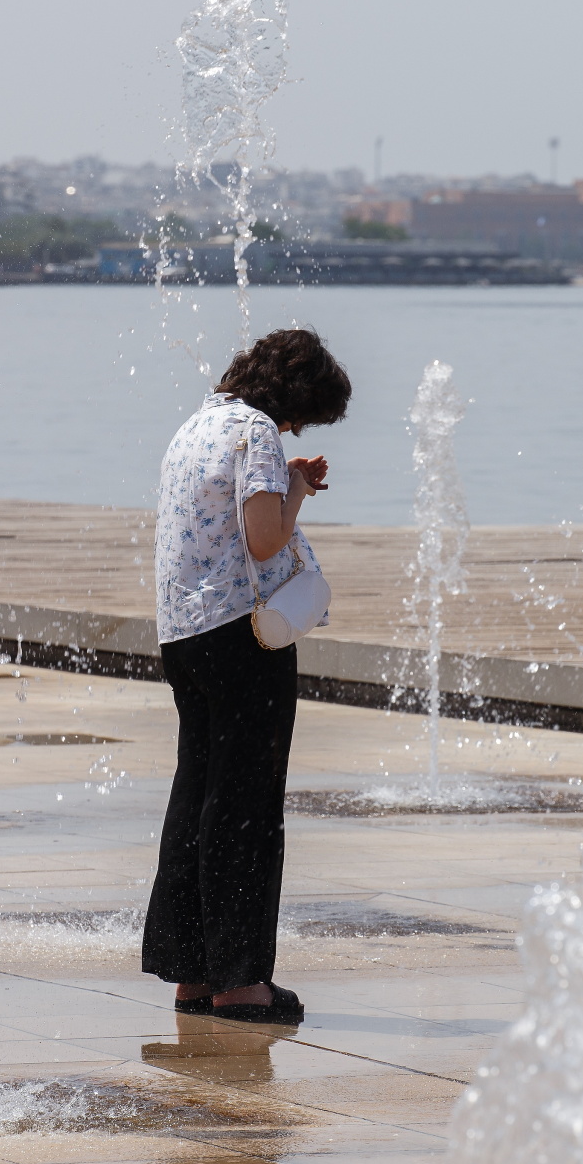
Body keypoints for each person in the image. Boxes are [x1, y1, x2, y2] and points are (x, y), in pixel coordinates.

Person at [142, 328, 352, 1023]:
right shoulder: (256, 431)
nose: (294, 430)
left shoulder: (195, 426)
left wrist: (285, 481)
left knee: (197, 799)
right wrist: (296, 490)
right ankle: (241, 984)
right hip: (242, 635)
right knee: (246, 807)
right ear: (292, 397)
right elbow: (264, 539)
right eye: (302, 416)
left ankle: (193, 974)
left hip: (184, 634)